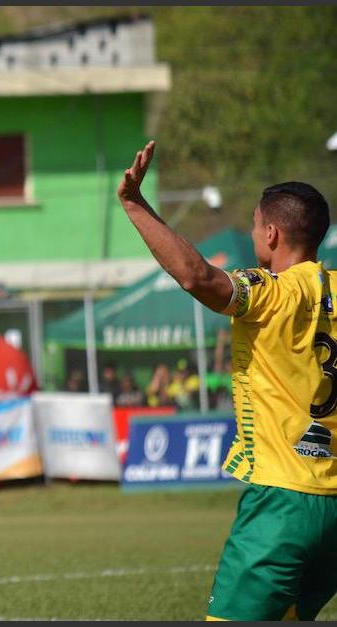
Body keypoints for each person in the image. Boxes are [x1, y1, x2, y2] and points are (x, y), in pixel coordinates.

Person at [117, 140, 337, 621]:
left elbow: (198, 278)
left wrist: (136, 206)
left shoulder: (270, 291)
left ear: (272, 233)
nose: (253, 233)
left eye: (255, 225)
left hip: (283, 500)